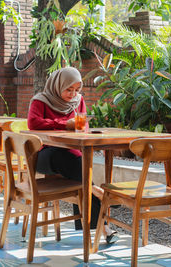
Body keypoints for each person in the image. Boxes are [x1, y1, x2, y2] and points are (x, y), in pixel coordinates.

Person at [28, 66, 118, 244]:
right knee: (69, 160)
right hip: (45, 156)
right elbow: (33, 123)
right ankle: (100, 193)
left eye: (77, 90)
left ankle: (102, 226)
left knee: (79, 169)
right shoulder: (41, 100)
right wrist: (63, 124)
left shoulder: (78, 101)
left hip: (70, 157)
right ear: (57, 84)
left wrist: (78, 126)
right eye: (68, 89)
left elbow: (83, 125)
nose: (73, 94)